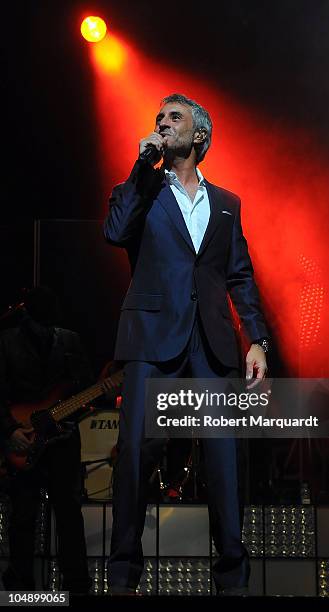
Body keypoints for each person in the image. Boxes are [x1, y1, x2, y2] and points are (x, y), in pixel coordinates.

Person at [103, 93, 270, 596]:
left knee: (224, 461)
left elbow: (239, 275)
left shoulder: (227, 205)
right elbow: (114, 233)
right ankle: (123, 578)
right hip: (154, 341)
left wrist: (257, 339)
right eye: (158, 118)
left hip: (212, 343)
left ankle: (232, 582)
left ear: (199, 135)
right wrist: (140, 165)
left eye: (174, 117)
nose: (162, 123)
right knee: (135, 455)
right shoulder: (139, 190)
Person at [0, 286, 92, 594]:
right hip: (23, 438)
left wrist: (70, 418)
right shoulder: (7, 341)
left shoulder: (70, 341)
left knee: (68, 513)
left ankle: (76, 586)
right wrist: (10, 429)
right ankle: (21, 585)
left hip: (62, 441)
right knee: (23, 513)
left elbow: (84, 392)